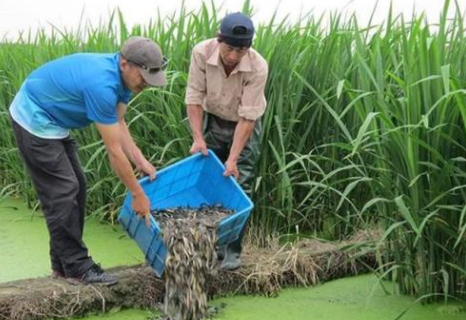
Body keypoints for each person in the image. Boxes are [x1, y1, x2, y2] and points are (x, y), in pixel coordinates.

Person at [9, 36, 167, 285]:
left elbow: (119, 121)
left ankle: (62, 264)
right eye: (144, 79)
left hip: (55, 122)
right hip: (34, 117)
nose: (146, 85)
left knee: (78, 186)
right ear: (125, 63)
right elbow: (113, 151)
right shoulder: (101, 85)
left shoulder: (125, 80)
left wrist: (140, 159)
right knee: (63, 191)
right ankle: (77, 267)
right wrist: (137, 194)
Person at [185, 12, 268, 270]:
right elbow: (194, 98)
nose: (233, 56)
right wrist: (198, 139)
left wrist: (233, 160)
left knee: (239, 183)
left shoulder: (258, 66)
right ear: (219, 40)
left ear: (249, 48)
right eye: (230, 48)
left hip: (244, 124)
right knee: (209, 180)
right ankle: (208, 246)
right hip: (214, 118)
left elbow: (248, 117)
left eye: (241, 50)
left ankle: (232, 249)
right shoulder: (201, 53)